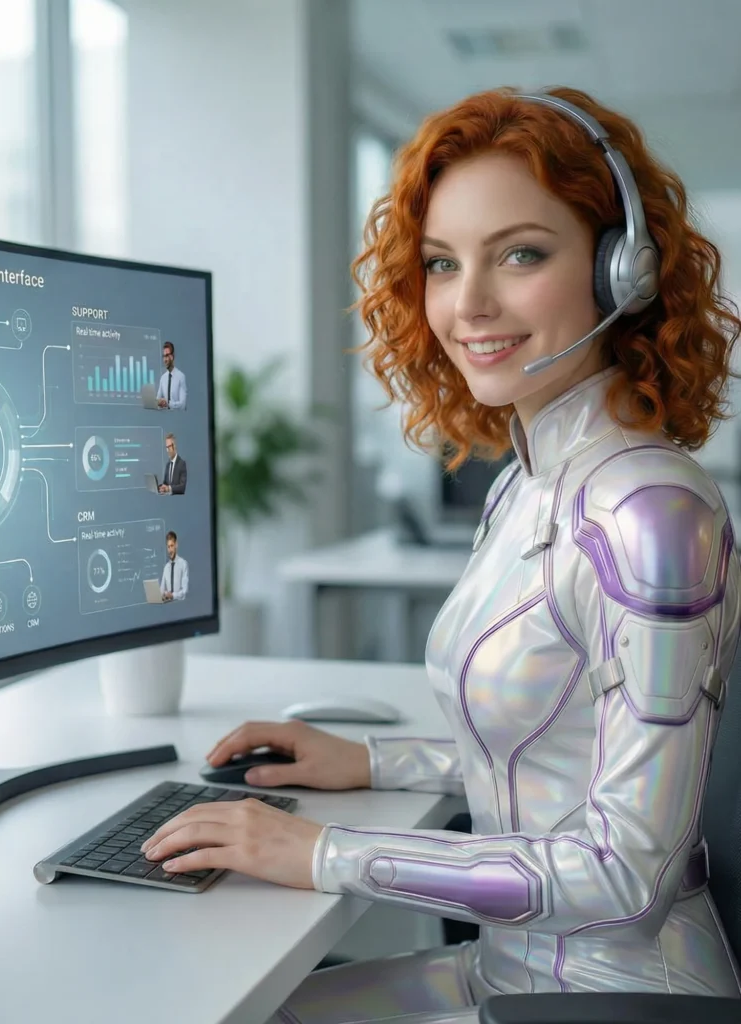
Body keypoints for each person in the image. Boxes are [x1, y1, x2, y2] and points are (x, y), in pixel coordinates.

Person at [139, 86, 741, 1021]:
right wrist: (371, 762)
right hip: (511, 968)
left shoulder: (647, 514)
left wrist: (320, 854)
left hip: (618, 994)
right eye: (440, 263)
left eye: (520, 254)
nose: (469, 304)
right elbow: (558, 757)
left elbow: (627, 873)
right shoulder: (526, 483)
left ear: (623, 270)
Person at [156, 341, 187, 410]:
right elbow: (158, 400)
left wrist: (168, 404)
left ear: (172, 356)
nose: (165, 360)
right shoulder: (163, 378)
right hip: (165, 418)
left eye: (167, 356)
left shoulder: (181, 377)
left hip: (178, 418)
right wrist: (158, 403)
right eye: (163, 356)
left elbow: (183, 404)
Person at [159, 530, 188, 601]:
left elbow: (185, 591)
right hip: (168, 607)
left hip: (180, 606)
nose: (170, 550)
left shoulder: (183, 564)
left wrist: (172, 595)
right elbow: (162, 590)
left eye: (172, 546)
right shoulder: (166, 568)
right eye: (168, 547)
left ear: (176, 545)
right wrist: (162, 595)